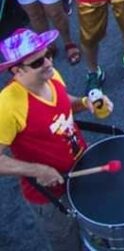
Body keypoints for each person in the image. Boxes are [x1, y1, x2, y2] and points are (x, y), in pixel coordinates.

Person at [0, 28, 110, 251]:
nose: (49, 62)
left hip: (80, 169)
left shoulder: (51, 75)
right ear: (17, 71)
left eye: (48, 54)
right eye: (38, 61)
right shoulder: (8, 106)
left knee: (92, 218)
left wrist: (85, 103)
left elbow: (64, 103)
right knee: (66, 240)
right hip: (49, 194)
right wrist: (39, 171)